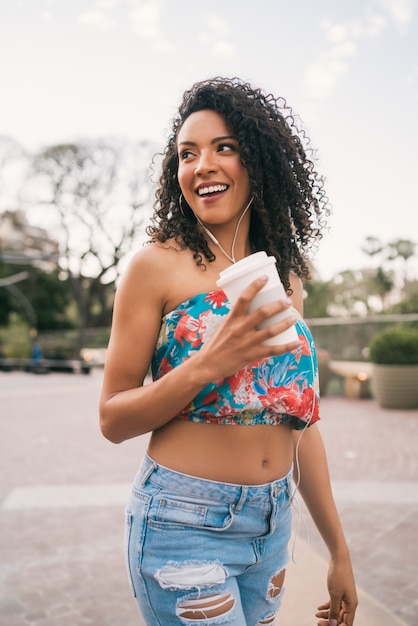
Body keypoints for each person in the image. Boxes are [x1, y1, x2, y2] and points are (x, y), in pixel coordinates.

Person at [100, 76, 357, 626]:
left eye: (224, 147)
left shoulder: (287, 277)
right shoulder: (155, 266)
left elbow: (302, 422)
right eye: (186, 154)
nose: (202, 165)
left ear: (258, 162)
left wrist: (338, 550)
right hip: (182, 523)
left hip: (271, 525)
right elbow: (113, 417)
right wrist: (210, 363)